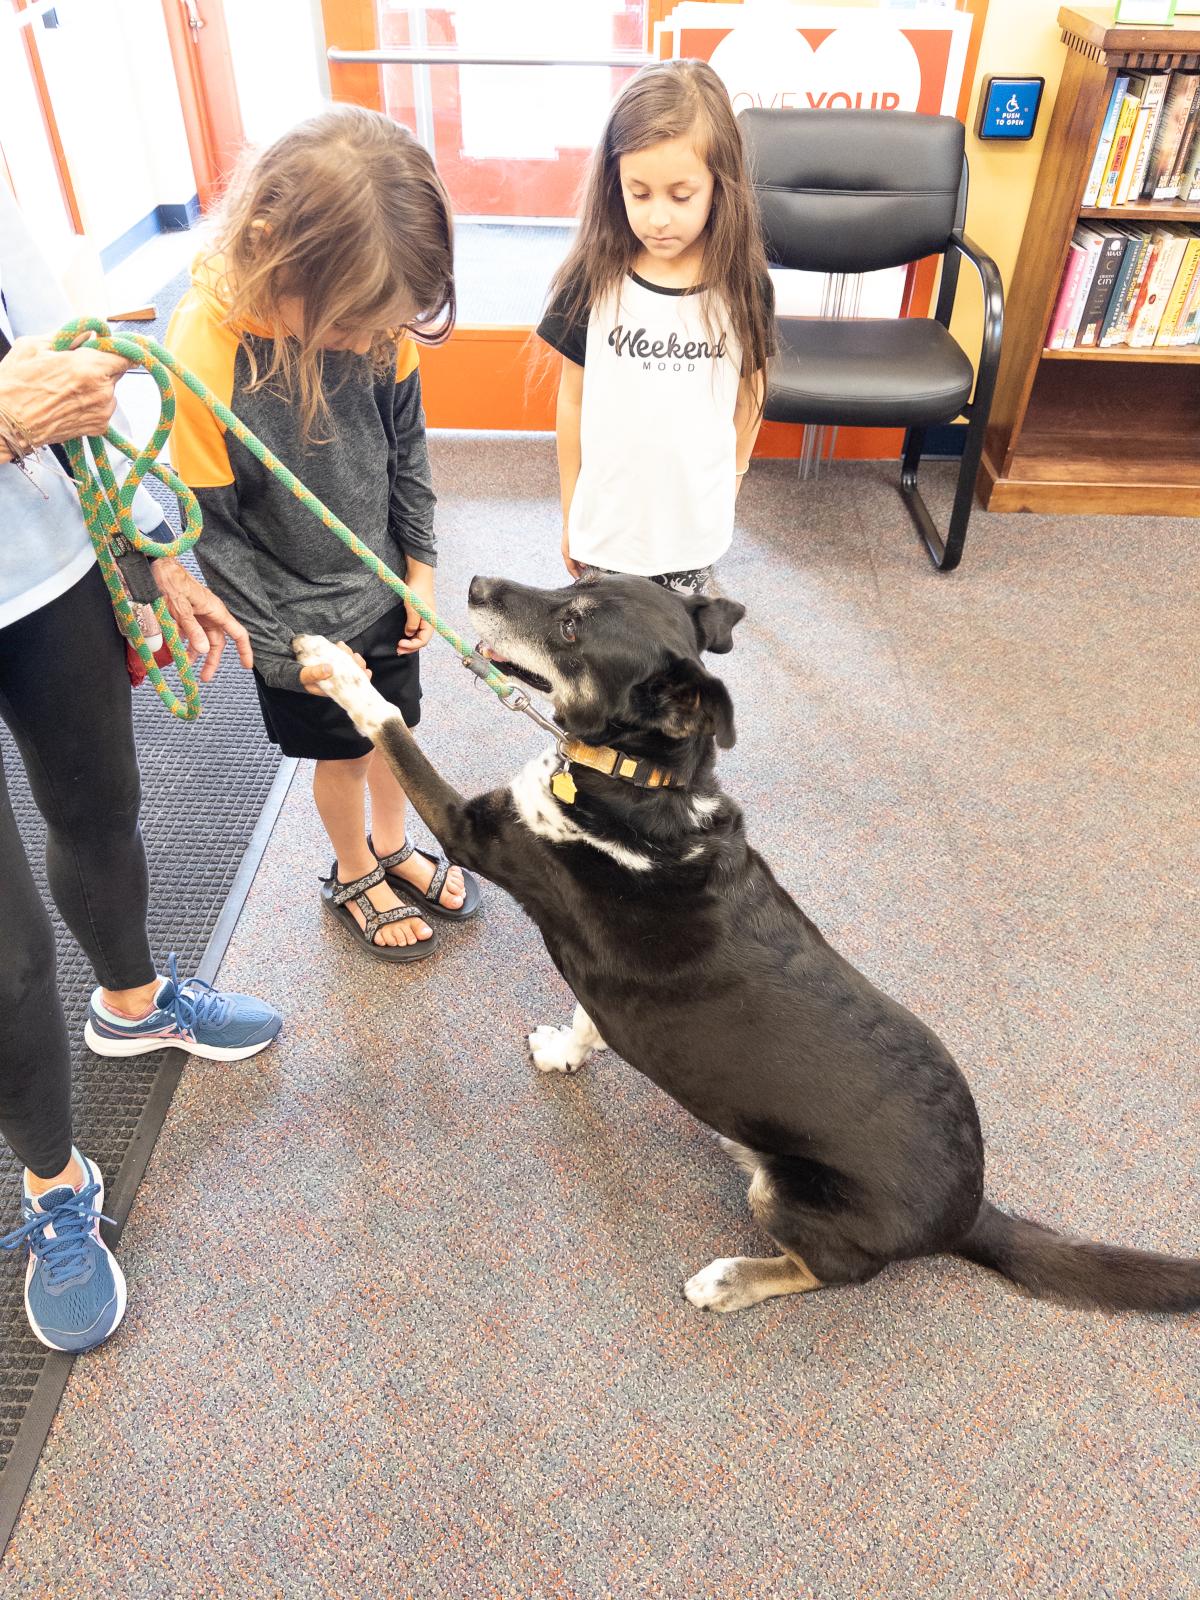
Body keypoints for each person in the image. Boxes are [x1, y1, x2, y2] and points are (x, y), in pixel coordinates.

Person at [0, 184, 282, 1355]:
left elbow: (66, 349)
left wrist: (142, 536)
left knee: (103, 810)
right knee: (5, 958)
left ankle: (132, 1001)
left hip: (44, 554)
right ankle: (54, 1184)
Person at [165, 106, 480, 964]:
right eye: (352, 325)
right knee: (339, 757)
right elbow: (213, 532)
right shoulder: (205, 349)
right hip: (296, 622)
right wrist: (282, 646)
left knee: (392, 737)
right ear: (276, 251)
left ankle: (390, 846)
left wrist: (420, 567)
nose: (371, 342)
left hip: (379, 588)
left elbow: (407, 447)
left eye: (386, 324)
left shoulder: (380, 319)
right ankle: (352, 871)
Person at [537, 59, 776, 595]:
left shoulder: (743, 286)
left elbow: (751, 391)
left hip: (692, 529)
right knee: (603, 659)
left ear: (721, 184)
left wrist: (732, 480)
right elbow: (572, 400)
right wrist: (571, 510)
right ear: (613, 182)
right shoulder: (591, 279)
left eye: (681, 195)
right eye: (638, 193)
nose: (658, 218)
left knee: (675, 657)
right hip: (607, 528)